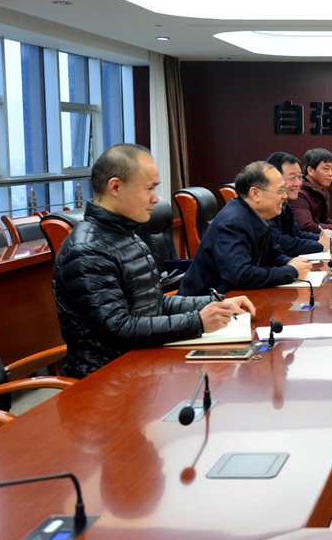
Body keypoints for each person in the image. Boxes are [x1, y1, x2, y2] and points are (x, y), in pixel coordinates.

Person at [53, 144, 254, 379]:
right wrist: (197, 322)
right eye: (149, 188)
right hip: (106, 379)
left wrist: (217, 303)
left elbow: (154, 304)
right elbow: (118, 329)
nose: (155, 198)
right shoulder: (87, 250)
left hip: (142, 364)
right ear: (115, 187)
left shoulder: (128, 236)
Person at [179, 161, 313, 296]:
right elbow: (240, 276)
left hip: (236, 297)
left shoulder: (258, 215)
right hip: (206, 302)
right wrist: (291, 271)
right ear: (255, 194)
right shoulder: (233, 223)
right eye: (280, 191)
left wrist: (290, 262)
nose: (285, 196)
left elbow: (272, 254)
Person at [266, 151, 332, 256]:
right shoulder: (265, 206)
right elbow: (278, 242)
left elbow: (296, 233)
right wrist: (319, 245)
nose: (298, 183)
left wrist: (324, 238)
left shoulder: (284, 204)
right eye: (292, 178)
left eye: (300, 177)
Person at [293, 148, 332, 234]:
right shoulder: (299, 193)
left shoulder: (322, 190)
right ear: (310, 171)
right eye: (326, 169)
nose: (331, 174)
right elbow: (307, 227)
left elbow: (324, 221)